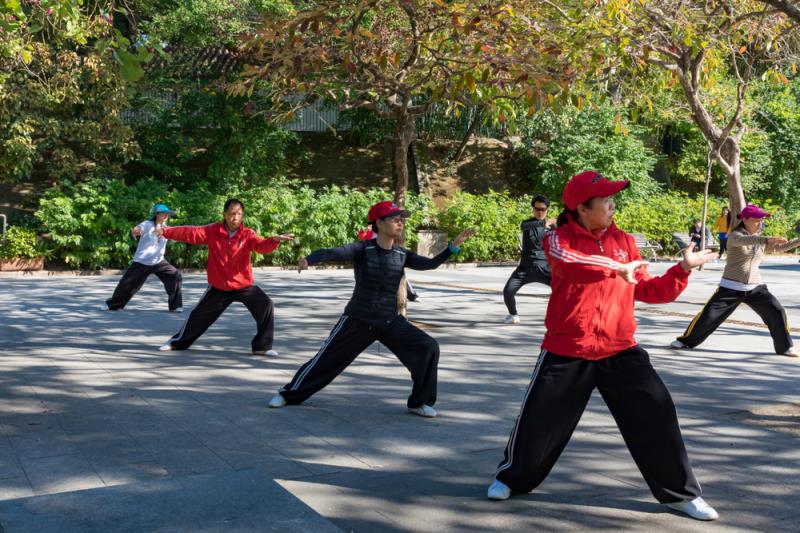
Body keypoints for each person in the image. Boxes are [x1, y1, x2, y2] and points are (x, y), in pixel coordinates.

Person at [487, 171, 719, 521]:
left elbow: (648, 290)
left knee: (657, 414)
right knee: (538, 421)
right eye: (606, 200)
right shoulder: (556, 239)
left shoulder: (624, 241)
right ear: (582, 208)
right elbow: (571, 264)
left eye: (613, 199)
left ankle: (679, 495)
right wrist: (616, 268)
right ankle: (512, 478)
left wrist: (681, 269)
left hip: (620, 349)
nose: (612, 206)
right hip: (567, 349)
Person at [268, 201, 475, 417]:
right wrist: (308, 260)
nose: (400, 222)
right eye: (395, 218)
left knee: (428, 347)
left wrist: (453, 247)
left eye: (401, 218)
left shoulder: (401, 254)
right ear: (379, 223)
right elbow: (331, 252)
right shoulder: (362, 249)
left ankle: (418, 402)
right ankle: (288, 393)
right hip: (357, 320)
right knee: (325, 361)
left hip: (389, 322)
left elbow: (429, 264)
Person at [155, 198, 293, 355]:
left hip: (243, 285)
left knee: (266, 305)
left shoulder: (247, 234)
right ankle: (177, 343)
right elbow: (190, 232)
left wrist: (274, 240)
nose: (235, 218)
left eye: (239, 214)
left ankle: (262, 347)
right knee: (198, 317)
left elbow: (261, 246)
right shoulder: (213, 231)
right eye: (232, 214)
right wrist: (166, 231)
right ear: (225, 214)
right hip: (219, 287)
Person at [671, 204, 800, 357]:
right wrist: (766, 239)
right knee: (708, 317)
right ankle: (685, 341)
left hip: (756, 287)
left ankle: (785, 347)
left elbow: (778, 248)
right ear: (744, 219)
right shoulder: (735, 236)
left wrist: (798, 241)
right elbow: (746, 241)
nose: (760, 223)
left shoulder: (759, 238)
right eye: (757, 219)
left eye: (762, 220)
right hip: (731, 287)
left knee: (777, 311)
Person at [103, 203, 183, 312]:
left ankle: (175, 306)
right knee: (126, 284)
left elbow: (177, 235)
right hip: (142, 261)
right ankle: (113, 305)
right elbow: (138, 229)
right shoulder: (147, 224)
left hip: (159, 261)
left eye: (167, 214)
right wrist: (135, 231)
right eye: (164, 213)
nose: (166, 215)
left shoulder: (166, 228)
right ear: (157, 214)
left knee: (175, 275)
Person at [502, 194, 553, 324]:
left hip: (545, 268)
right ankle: (513, 315)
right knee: (508, 291)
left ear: (547, 210)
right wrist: (543, 223)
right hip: (525, 268)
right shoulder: (527, 223)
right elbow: (524, 226)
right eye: (537, 209)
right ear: (533, 209)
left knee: (565, 291)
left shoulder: (553, 228)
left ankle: (561, 318)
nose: (539, 212)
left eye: (542, 209)